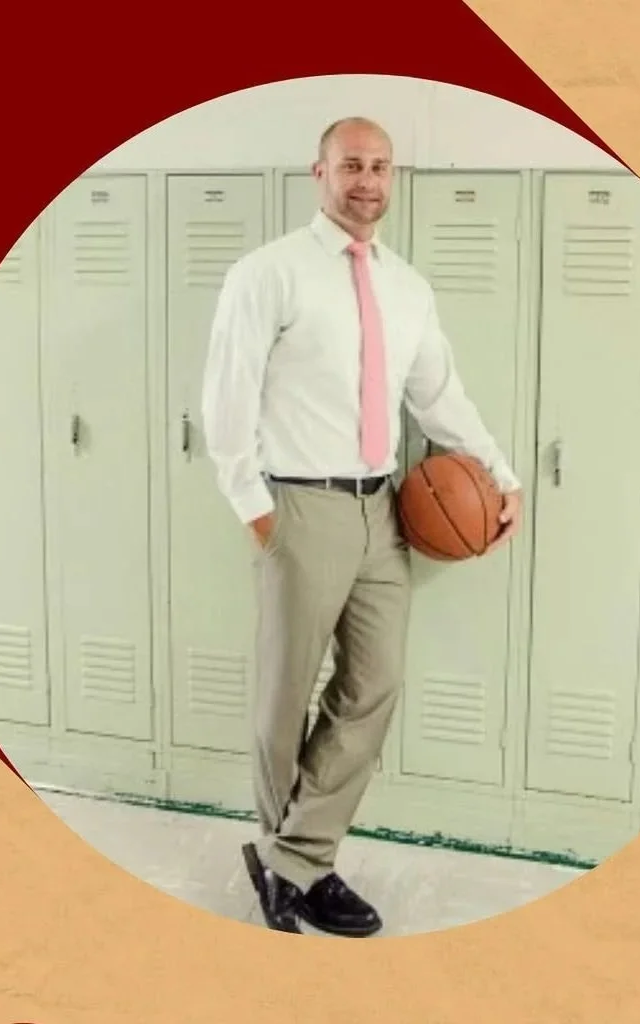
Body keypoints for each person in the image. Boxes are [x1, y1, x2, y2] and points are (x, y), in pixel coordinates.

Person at [201, 116, 523, 936]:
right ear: (319, 173)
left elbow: (438, 397)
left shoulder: (407, 286)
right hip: (298, 505)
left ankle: (290, 858)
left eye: (380, 166)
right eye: (351, 164)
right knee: (283, 697)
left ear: (393, 177)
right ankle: (296, 864)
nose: (366, 180)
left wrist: (498, 473)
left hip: (384, 511)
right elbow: (226, 397)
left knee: (371, 686)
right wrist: (254, 508)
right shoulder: (267, 273)